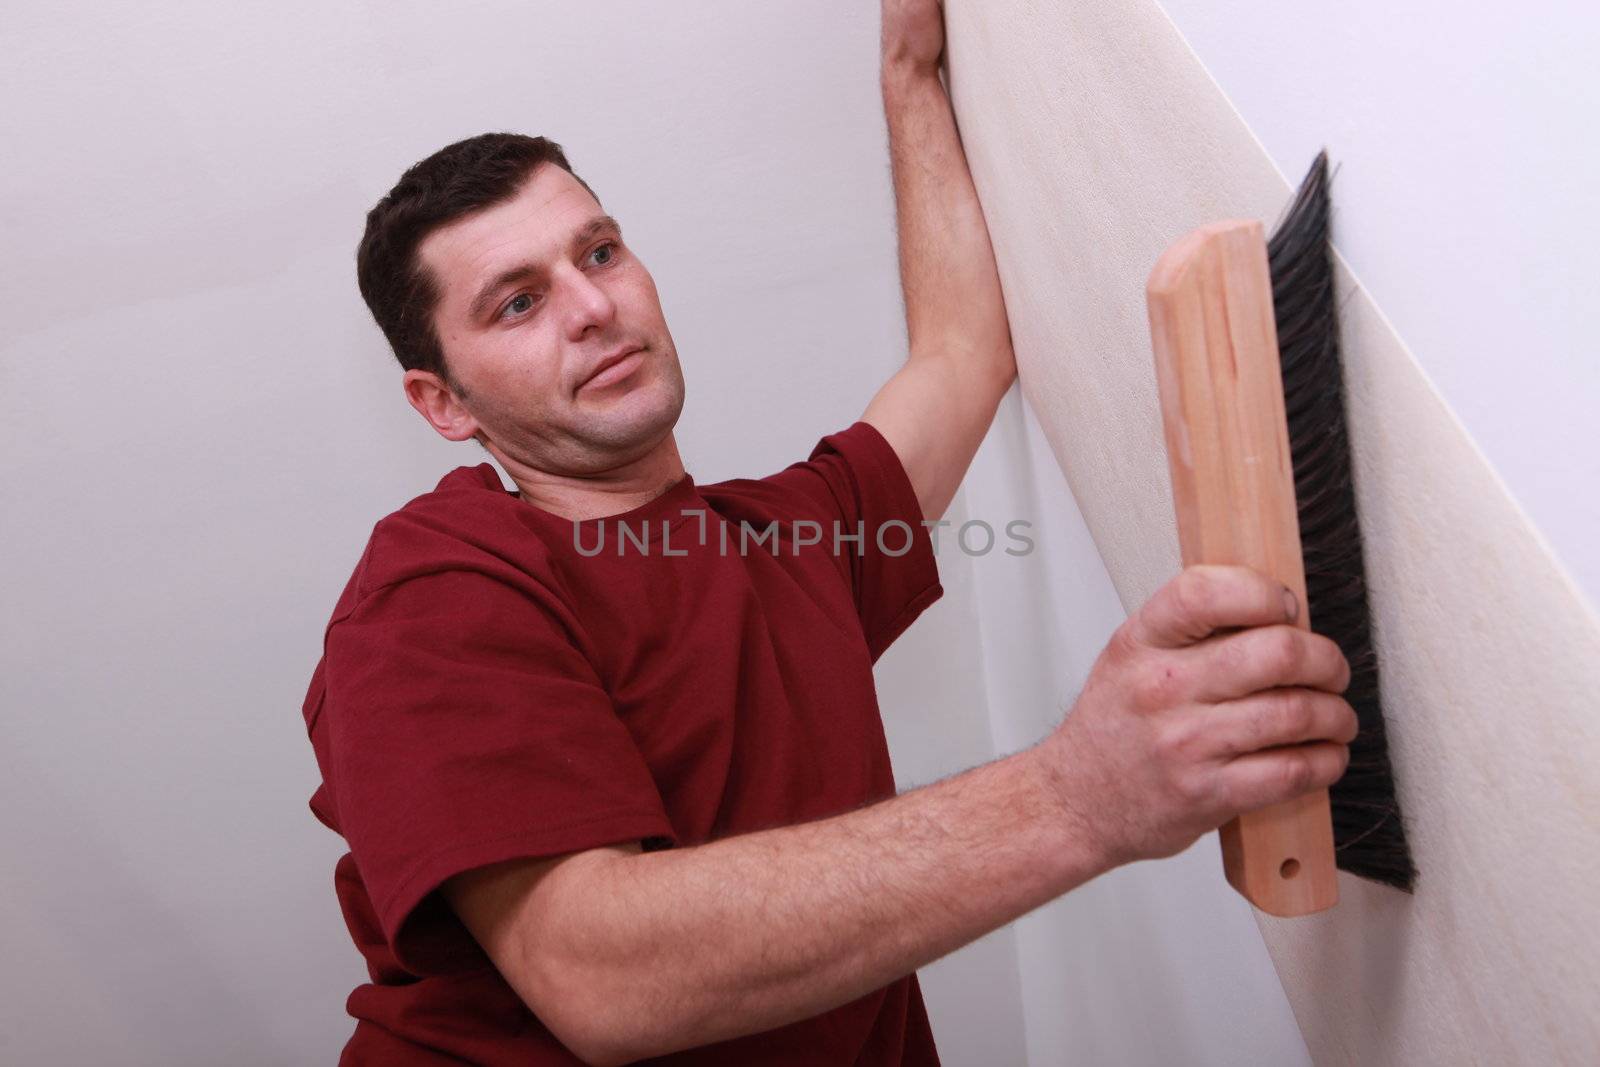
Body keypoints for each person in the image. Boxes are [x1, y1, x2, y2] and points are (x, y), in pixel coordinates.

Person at [300, 2, 1358, 1063]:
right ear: (444, 405)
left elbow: (960, 352)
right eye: (519, 303)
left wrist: (909, 71)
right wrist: (1078, 794)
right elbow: (600, 973)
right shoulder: (433, 591)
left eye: (601, 250)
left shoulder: (781, 537)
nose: (591, 305)